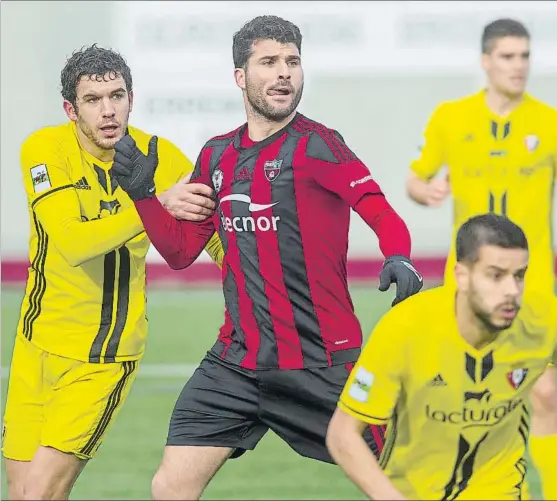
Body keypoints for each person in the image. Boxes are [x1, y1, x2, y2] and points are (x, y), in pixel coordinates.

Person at [110, 15, 423, 500]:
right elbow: (179, 253)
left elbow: (380, 212)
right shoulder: (216, 157)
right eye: (270, 62)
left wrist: (399, 256)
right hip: (235, 364)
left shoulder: (319, 144)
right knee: (170, 487)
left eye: (293, 62)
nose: (285, 73)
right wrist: (144, 197)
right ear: (240, 76)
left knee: (406, 480)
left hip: (320, 362)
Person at [2, 44, 222, 501]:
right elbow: (73, 242)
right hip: (35, 348)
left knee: (36, 495)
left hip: (102, 355)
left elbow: (217, 240)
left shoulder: (160, 159)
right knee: (23, 492)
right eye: (93, 100)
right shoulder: (45, 149)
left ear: (131, 98)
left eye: (117, 96)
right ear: (71, 108)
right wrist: (153, 206)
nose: (108, 111)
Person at [405, 18, 557, 499]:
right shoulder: (450, 118)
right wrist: (426, 190)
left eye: (524, 56)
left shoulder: (554, 123)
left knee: (541, 391)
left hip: (531, 285)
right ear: (486, 60)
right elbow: (416, 178)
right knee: (459, 396)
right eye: (508, 56)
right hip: (468, 289)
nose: (518, 66)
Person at [327, 213, 557, 500]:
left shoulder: (543, 321)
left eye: (519, 275)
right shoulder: (406, 329)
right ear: (461, 277)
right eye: (495, 275)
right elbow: (343, 434)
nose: (511, 291)